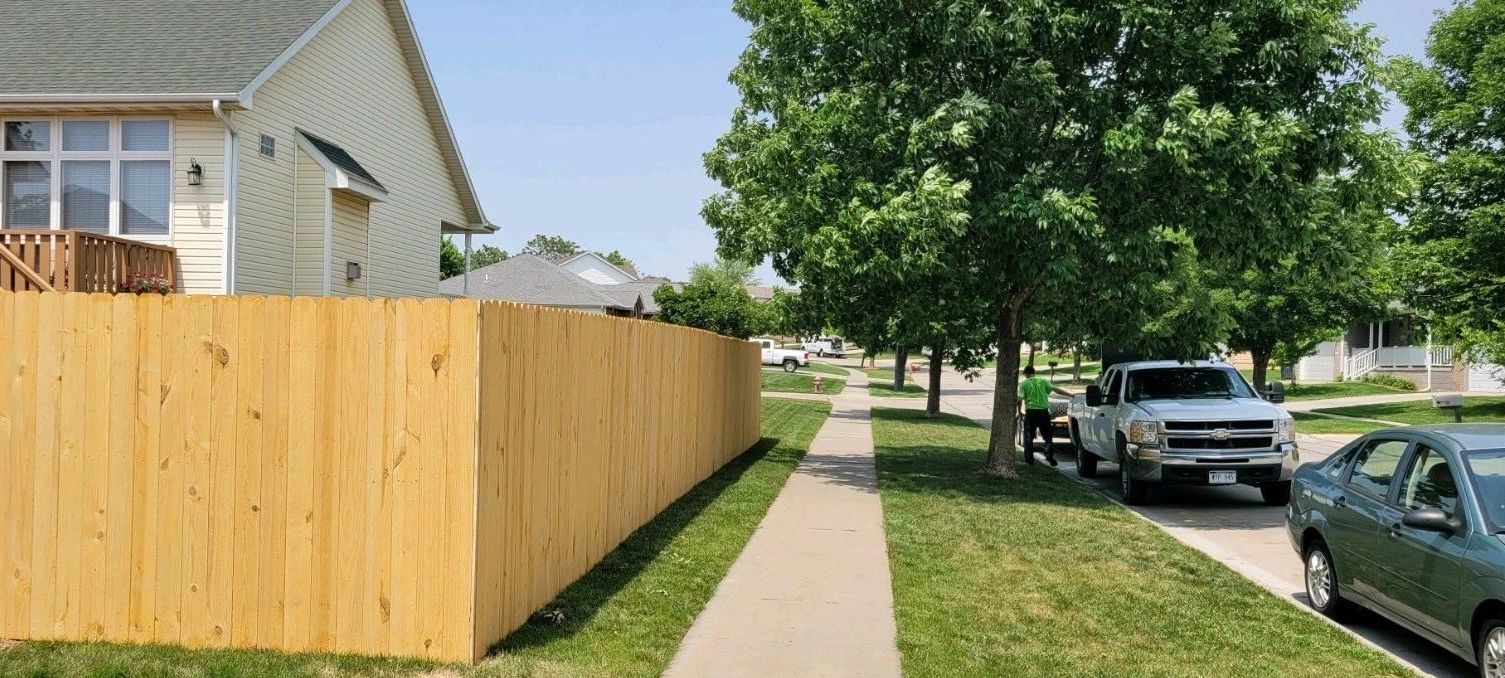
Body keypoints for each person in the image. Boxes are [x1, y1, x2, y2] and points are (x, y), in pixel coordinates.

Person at [1018, 365, 1070, 466]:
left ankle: (1029, 460)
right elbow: (1056, 390)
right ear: (1034, 372)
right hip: (1044, 412)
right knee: (1047, 436)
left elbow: (1019, 399)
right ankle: (1049, 455)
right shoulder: (1043, 381)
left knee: (1028, 437)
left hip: (1031, 412)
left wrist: (1019, 411)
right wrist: (1070, 395)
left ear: (1025, 374)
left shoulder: (1024, 384)